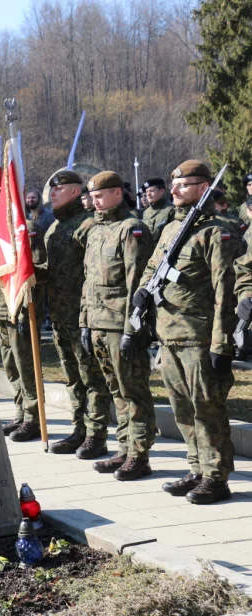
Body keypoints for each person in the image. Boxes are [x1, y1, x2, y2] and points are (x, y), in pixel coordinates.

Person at [141, 161, 240, 504]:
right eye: (174, 185)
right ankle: (197, 468)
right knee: (182, 410)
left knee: (207, 409)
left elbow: (226, 291)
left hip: (199, 337)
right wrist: (143, 292)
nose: (174, 190)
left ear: (203, 188)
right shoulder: (172, 228)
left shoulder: (217, 232)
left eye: (183, 185)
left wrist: (221, 344)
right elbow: (153, 267)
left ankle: (216, 477)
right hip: (169, 335)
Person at [80, 171, 156, 481]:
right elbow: (88, 281)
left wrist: (132, 330)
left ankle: (139, 455)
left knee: (133, 391)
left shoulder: (132, 229)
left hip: (120, 325)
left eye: (99, 196)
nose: (94, 201)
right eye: (92, 196)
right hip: (98, 322)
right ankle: (125, 449)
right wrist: (85, 323)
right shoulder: (96, 230)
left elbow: (137, 284)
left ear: (117, 194)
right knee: (116, 391)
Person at [40, 170, 112, 458]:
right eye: (51, 189)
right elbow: (52, 270)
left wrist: (88, 315)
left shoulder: (88, 225)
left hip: (83, 316)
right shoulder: (53, 229)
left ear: (74, 192)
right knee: (72, 376)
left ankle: (97, 435)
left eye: (59, 189)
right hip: (59, 315)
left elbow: (94, 273)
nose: (52, 193)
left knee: (91, 376)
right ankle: (79, 429)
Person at [0, 218, 45, 437]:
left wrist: (24, 311)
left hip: (19, 311)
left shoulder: (25, 229)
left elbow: (34, 272)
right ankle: (21, 413)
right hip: (1, 311)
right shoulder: (0, 231)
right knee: (12, 368)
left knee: (26, 368)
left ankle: (33, 418)